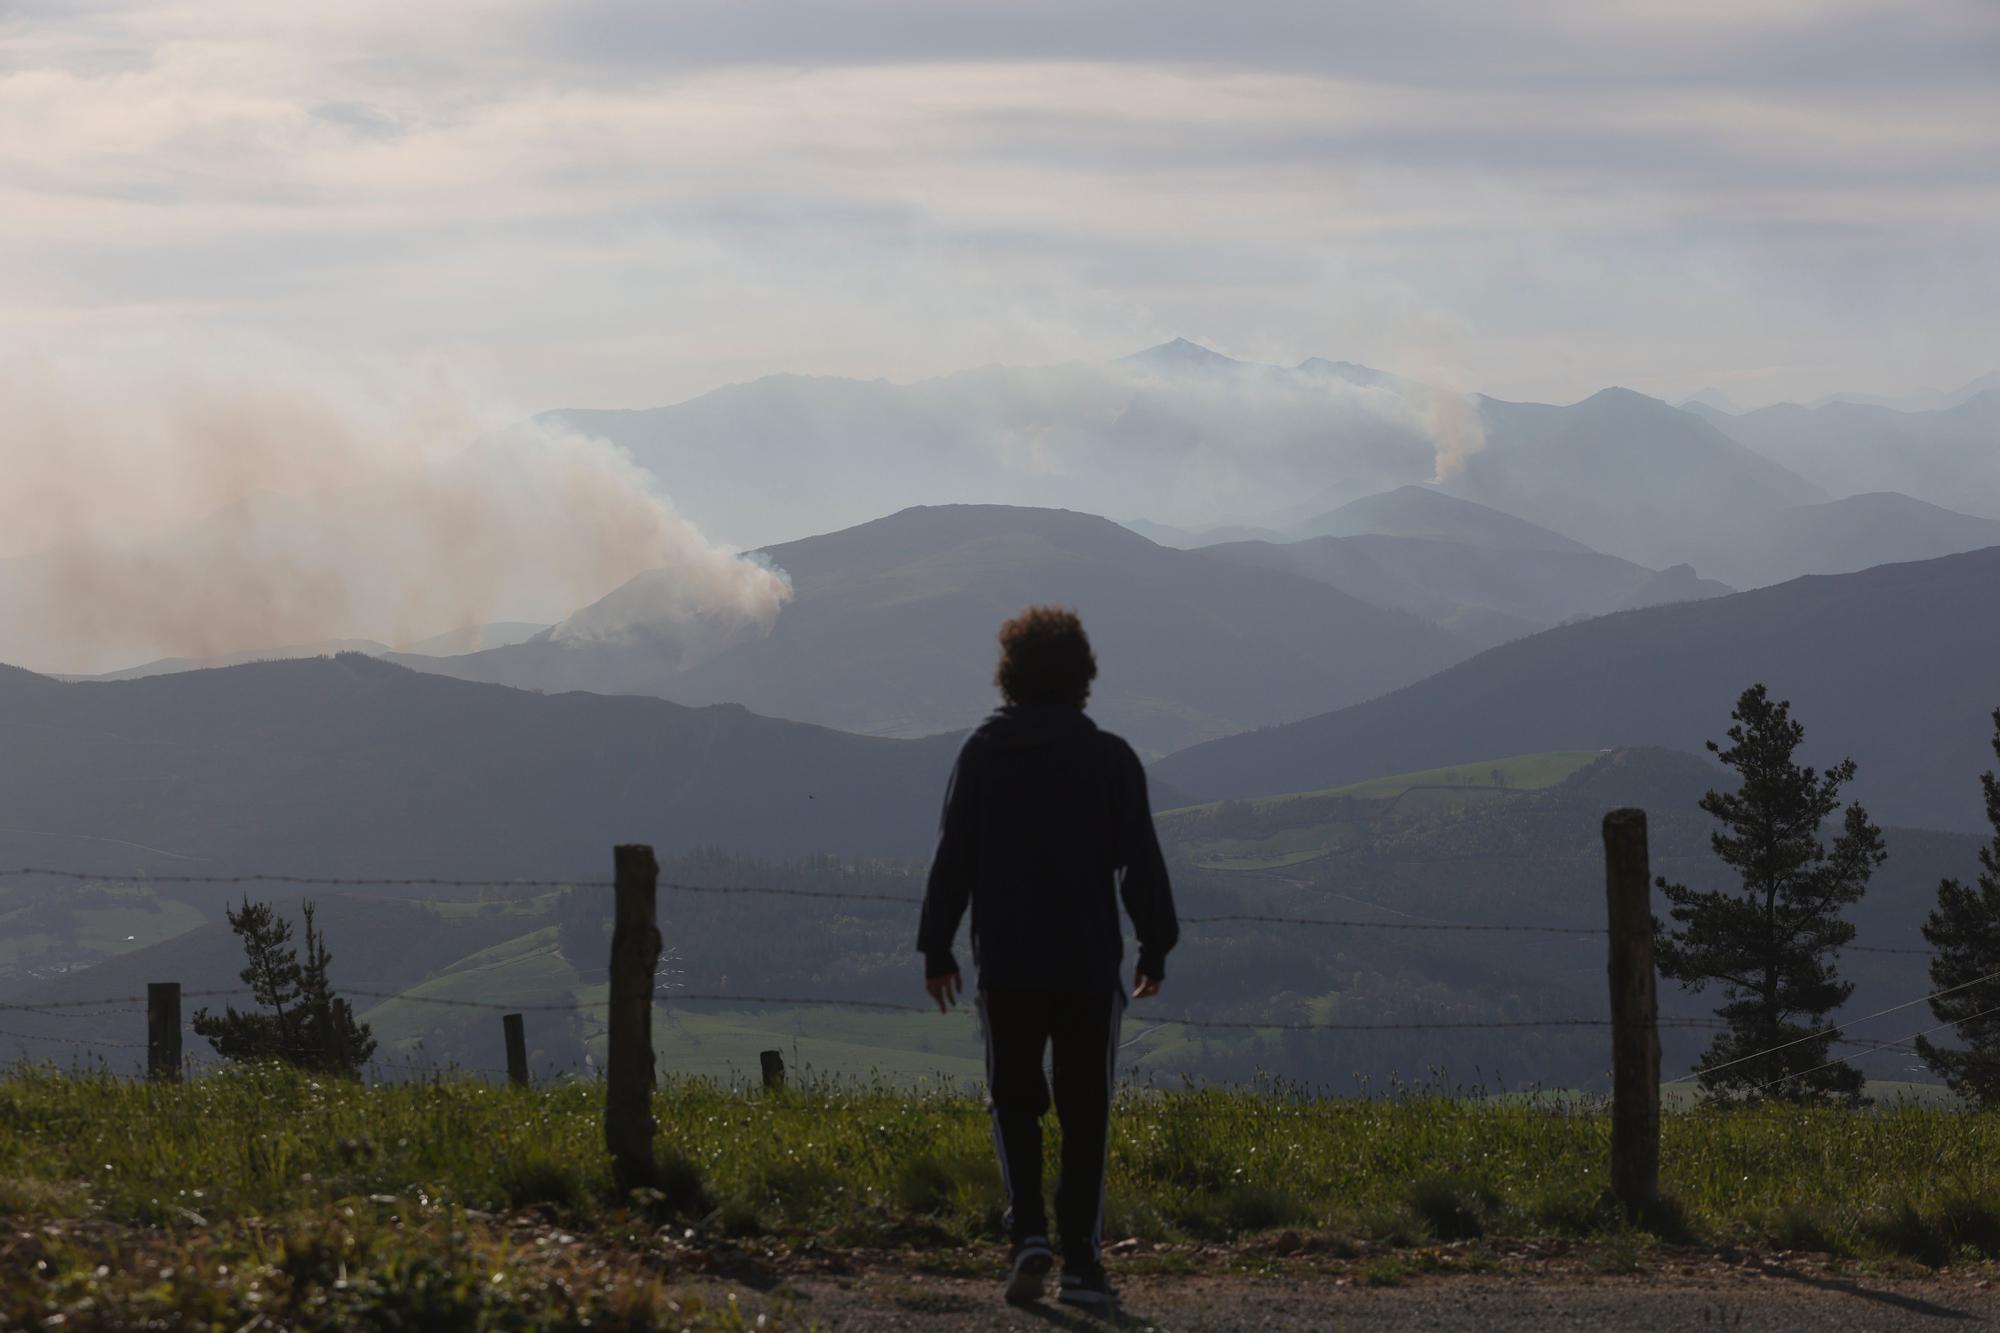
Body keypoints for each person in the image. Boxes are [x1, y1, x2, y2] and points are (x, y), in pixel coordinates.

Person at [916, 605, 1178, 1311]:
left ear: (1011, 674)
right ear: (1082, 677)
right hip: (1089, 966)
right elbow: (1141, 867)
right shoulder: (1110, 759)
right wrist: (1155, 943)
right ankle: (1085, 1265)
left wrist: (937, 944)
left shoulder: (982, 755)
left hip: (1007, 963)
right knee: (1085, 1108)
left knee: (1015, 1101)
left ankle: (1028, 1231)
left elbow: (953, 858)